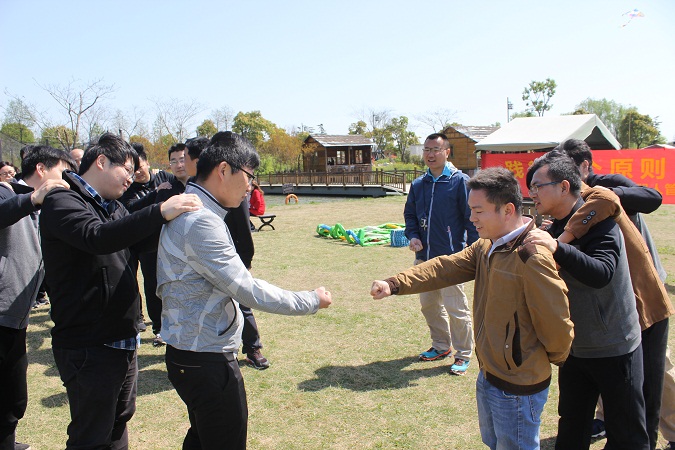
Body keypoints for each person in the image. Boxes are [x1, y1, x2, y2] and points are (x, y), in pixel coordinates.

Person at [371, 167, 573, 450]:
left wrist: (528, 360)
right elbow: (446, 267)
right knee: (494, 443)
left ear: (508, 209)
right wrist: (395, 284)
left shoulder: (531, 256)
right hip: (489, 374)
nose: (471, 218)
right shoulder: (487, 244)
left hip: (518, 386)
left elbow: (557, 325)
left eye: (478, 211)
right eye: (471, 210)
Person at [156, 131, 332, 449]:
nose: (251, 186)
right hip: (205, 358)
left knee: (203, 438)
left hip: (191, 353)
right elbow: (246, 289)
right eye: (249, 176)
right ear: (224, 170)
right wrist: (311, 300)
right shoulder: (201, 221)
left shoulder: (191, 209)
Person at [39, 133, 202, 449]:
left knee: (118, 420)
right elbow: (97, 237)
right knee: (92, 433)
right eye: (127, 169)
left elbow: (136, 241)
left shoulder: (111, 206)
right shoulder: (63, 201)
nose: (131, 178)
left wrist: (182, 229)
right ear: (101, 161)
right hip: (89, 341)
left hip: (121, 335)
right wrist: (159, 210)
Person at [524, 151, 649, 450]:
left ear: (564, 187)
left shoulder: (601, 222)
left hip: (615, 347)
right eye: (530, 187)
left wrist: (557, 248)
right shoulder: (555, 228)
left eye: (538, 186)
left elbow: (601, 272)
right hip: (575, 349)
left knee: (627, 435)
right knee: (571, 428)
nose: (532, 193)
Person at [556, 139, 673, 450]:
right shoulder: (566, 204)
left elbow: (646, 198)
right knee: (618, 386)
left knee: (649, 387)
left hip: (643, 299)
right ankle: (607, 422)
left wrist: (562, 238)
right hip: (613, 307)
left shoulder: (602, 190)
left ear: (583, 167)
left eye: (565, 170)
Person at [1, 146, 74, 450]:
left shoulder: (43, 206)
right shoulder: (5, 193)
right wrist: (32, 198)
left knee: (13, 394)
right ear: (41, 169)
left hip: (16, 316)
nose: (67, 180)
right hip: (2, 311)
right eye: (63, 172)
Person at [185, 136, 271, 370]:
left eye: (184, 158)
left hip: (232, 257)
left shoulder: (233, 189)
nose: (180, 164)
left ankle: (252, 347)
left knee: (242, 300)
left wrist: (246, 259)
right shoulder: (190, 196)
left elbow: (243, 227)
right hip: (199, 348)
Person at [403, 133, 478, 375]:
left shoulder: (460, 182)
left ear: (447, 152)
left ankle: (463, 354)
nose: (430, 154)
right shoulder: (419, 184)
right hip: (424, 258)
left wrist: (471, 250)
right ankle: (441, 345)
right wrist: (413, 235)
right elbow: (410, 215)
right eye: (427, 149)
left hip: (450, 259)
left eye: (435, 149)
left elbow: (471, 219)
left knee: (456, 309)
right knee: (429, 306)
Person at [119, 142, 174, 342]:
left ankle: (167, 324)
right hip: (138, 242)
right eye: (132, 169)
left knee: (162, 283)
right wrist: (155, 193)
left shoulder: (165, 177)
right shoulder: (128, 187)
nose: (137, 172)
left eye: (140, 167)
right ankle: (150, 323)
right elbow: (129, 208)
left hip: (161, 241)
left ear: (148, 163)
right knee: (144, 283)